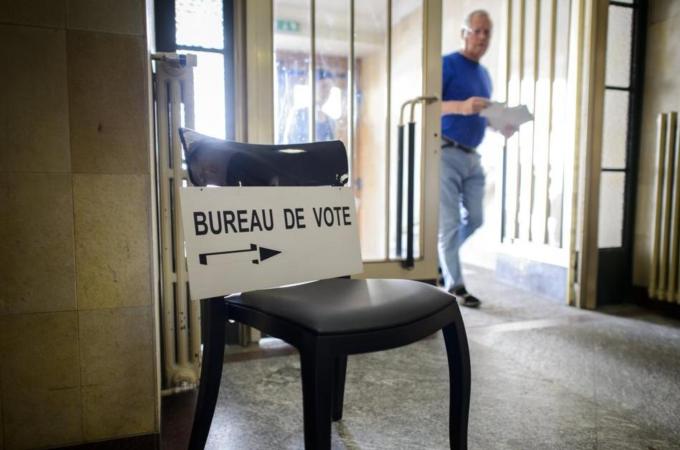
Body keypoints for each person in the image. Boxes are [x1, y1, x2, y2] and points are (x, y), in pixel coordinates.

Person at [439, 10, 516, 308]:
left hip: (473, 156)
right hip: (445, 152)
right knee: (449, 223)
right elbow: (430, 105)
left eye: (488, 32)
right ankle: (455, 286)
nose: (483, 37)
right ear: (464, 33)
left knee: (476, 218)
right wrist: (461, 106)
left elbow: (481, 115)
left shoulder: (484, 75)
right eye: (477, 30)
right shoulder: (446, 64)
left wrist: (500, 124)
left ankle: (442, 258)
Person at [285, 71, 336, 143]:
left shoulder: (331, 121)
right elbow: (289, 141)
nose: (327, 92)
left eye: (329, 89)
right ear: (313, 87)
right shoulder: (298, 115)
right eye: (323, 87)